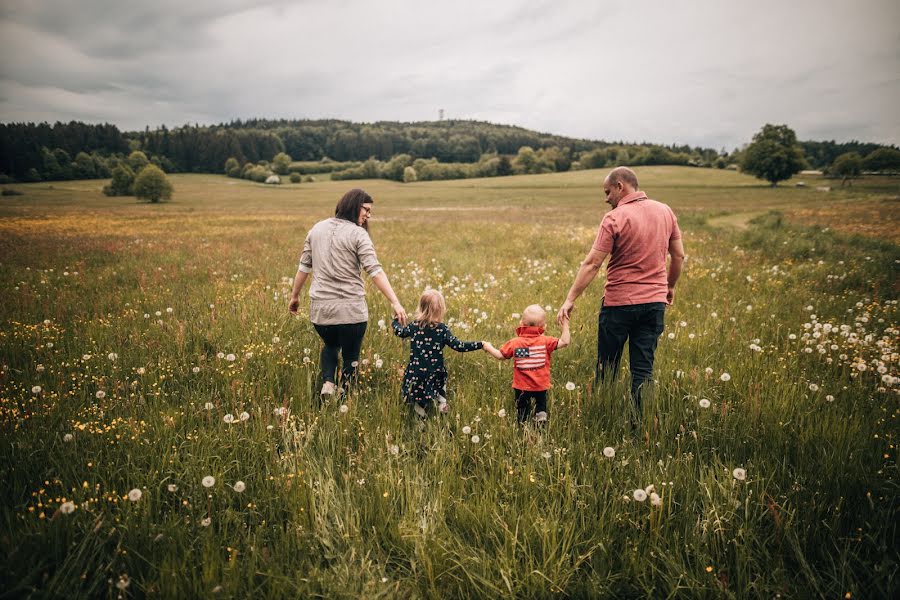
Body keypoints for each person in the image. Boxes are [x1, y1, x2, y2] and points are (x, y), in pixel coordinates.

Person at [557, 167, 684, 418]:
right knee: (643, 369)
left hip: (618, 304)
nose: (606, 199)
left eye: (607, 192)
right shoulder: (665, 211)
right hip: (654, 304)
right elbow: (678, 255)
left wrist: (570, 299)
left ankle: (604, 416)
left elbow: (593, 263)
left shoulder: (614, 218)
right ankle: (640, 423)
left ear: (620, 187)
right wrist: (669, 286)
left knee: (608, 366)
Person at [289, 188, 407, 398]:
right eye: (367, 210)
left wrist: (294, 297)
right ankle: (345, 393)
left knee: (330, 345)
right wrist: (395, 302)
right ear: (354, 205)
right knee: (351, 353)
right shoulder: (358, 234)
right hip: (351, 311)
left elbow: (304, 267)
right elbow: (374, 270)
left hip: (321, 310)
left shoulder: (316, 229)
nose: (368, 215)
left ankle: (328, 384)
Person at [393, 289, 484, 418]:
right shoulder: (442, 329)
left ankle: (421, 416)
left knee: (417, 395)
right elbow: (460, 346)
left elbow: (399, 332)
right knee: (440, 385)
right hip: (435, 371)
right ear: (441, 309)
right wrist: (480, 344)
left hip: (416, 371)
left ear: (421, 307)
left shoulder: (414, 326)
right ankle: (442, 404)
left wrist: (395, 321)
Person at [482, 305, 571, 424]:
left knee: (522, 410)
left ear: (521, 323)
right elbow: (565, 341)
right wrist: (565, 324)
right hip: (541, 385)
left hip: (521, 387)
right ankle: (541, 417)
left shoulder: (515, 343)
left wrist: (488, 347)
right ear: (544, 326)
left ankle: (523, 424)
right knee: (541, 403)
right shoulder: (546, 342)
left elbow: (500, 356)